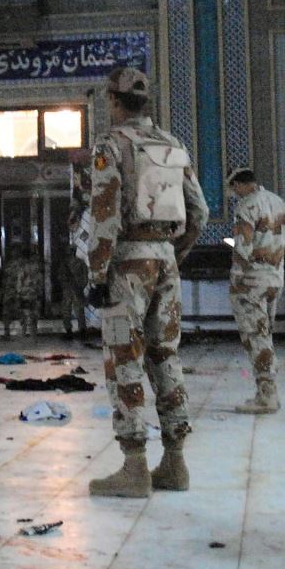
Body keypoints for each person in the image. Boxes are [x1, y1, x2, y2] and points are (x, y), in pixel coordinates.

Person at [82, 67, 208, 497]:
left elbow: (104, 214)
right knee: (165, 357)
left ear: (113, 101)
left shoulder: (111, 145)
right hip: (165, 262)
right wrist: (173, 253)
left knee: (125, 359)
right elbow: (200, 212)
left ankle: (134, 466)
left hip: (127, 266)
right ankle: (175, 464)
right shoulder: (174, 145)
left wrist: (98, 274)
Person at [225, 167, 285, 414]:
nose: (233, 193)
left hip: (252, 281)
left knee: (255, 336)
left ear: (241, 185)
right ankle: (267, 391)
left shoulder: (246, 206)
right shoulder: (279, 203)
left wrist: (236, 278)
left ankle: (267, 396)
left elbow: (242, 247)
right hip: (275, 279)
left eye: (234, 188)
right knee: (265, 335)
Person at [0, 238, 43, 338]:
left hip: (22, 291)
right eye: (13, 250)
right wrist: (3, 289)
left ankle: (27, 331)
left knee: (26, 312)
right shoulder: (10, 263)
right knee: (7, 311)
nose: (14, 252)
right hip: (10, 290)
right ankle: (7, 332)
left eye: (16, 250)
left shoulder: (26, 264)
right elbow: (5, 277)